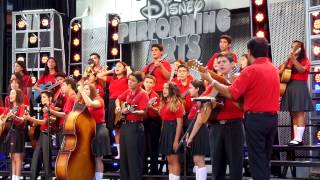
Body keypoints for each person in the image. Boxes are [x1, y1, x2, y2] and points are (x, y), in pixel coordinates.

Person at [201, 37, 279, 180]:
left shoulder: (250, 70)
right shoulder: (273, 69)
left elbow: (231, 93)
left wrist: (211, 80)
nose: (221, 64)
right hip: (272, 118)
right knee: (264, 161)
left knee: (256, 162)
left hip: (255, 120)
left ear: (249, 52)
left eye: (224, 61)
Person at [192, 54, 245, 180]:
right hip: (216, 127)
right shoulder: (214, 83)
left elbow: (241, 104)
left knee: (235, 165)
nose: (220, 64)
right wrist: (209, 103)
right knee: (217, 166)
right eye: (219, 61)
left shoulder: (238, 79)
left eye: (224, 61)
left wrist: (222, 90)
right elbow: (200, 102)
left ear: (233, 64)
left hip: (234, 125)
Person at [115, 71, 149, 180]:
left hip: (135, 126)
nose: (129, 82)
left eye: (133, 81)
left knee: (133, 158)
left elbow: (143, 112)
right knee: (124, 157)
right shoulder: (129, 92)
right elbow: (118, 99)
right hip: (125, 126)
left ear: (140, 83)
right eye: (129, 79)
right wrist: (119, 108)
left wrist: (131, 111)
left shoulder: (143, 94)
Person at [280, 40, 313, 146]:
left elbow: (302, 70)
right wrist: (285, 65)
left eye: (296, 47)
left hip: (299, 86)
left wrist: (293, 59)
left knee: (299, 112)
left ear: (301, 48)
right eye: (292, 47)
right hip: (289, 86)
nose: (293, 48)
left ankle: (299, 138)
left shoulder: (305, 59)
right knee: (293, 113)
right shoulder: (288, 61)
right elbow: (280, 73)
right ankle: (296, 138)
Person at [97, 61, 130, 158]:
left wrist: (128, 69)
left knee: (124, 128)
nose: (117, 67)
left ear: (124, 69)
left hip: (123, 103)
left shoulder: (127, 78)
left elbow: (132, 77)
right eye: (116, 66)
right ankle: (119, 153)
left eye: (120, 66)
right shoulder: (112, 79)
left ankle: (126, 152)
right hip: (112, 103)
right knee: (116, 130)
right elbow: (99, 75)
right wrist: (111, 70)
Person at [78, 83, 111, 180]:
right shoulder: (84, 101)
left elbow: (90, 104)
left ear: (92, 90)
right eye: (85, 89)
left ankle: (98, 178)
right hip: (89, 130)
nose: (85, 91)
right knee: (89, 157)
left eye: (87, 89)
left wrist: (81, 91)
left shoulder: (99, 100)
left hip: (99, 129)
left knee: (98, 158)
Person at [24, 91, 54, 180]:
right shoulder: (45, 108)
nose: (42, 99)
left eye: (44, 97)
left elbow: (44, 122)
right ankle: (33, 177)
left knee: (46, 160)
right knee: (36, 158)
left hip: (47, 134)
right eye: (41, 97)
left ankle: (47, 178)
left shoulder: (50, 107)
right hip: (42, 134)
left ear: (50, 98)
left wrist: (30, 118)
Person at [158, 82, 184, 180]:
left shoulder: (177, 103)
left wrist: (176, 140)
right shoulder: (165, 103)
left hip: (173, 131)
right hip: (166, 131)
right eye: (163, 88)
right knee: (169, 160)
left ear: (172, 90)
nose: (164, 90)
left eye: (167, 88)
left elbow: (180, 124)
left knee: (174, 160)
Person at [185, 80, 209, 180]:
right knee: (196, 160)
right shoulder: (196, 101)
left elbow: (199, 122)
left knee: (199, 159)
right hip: (194, 132)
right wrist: (188, 134)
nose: (188, 90)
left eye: (190, 88)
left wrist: (190, 137)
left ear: (197, 89)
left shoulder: (201, 101)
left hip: (200, 132)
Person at [0, 89, 26, 180]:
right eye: (10, 93)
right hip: (11, 133)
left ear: (17, 95)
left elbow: (22, 120)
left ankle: (17, 178)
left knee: (18, 158)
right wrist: (5, 118)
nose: (10, 95)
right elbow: (3, 119)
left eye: (13, 93)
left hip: (18, 132)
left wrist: (14, 116)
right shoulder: (8, 109)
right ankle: (13, 178)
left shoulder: (21, 107)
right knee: (12, 157)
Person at [142, 75, 161, 174]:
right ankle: (144, 168)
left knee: (153, 146)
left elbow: (158, 112)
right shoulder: (140, 93)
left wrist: (149, 106)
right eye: (147, 82)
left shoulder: (155, 96)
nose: (148, 84)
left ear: (153, 84)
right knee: (143, 146)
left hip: (153, 122)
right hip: (143, 122)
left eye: (150, 82)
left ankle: (154, 169)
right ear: (143, 83)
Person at [49, 78, 77, 144]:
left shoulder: (71, 98)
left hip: (66, 126)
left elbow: (66, 115)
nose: (62, 87)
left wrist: (51, 111)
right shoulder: (73, 96)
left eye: (63, 85)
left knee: (64, 150)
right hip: (69, 126)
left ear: (69, 86)